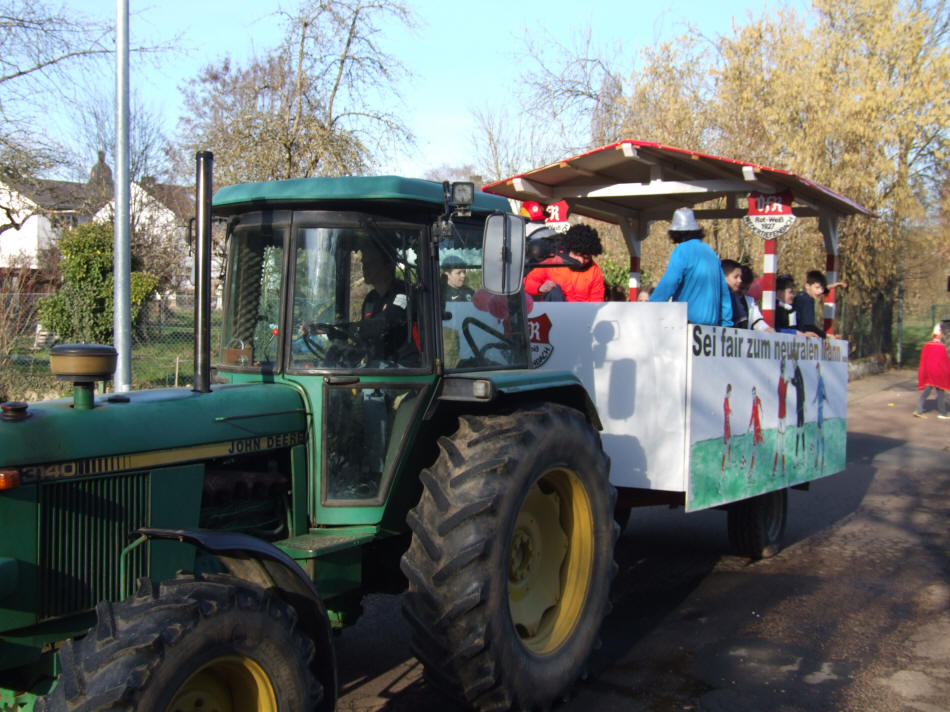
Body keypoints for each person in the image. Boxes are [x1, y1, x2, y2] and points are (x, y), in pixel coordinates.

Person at [649, 208, 732, 326]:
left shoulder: (681, 250)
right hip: (711, 328)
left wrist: (651, 307)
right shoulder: (711, 253)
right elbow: (723, 291)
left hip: (687, 323)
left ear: (675, 233)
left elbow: (670, 281)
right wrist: (726, 323)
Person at [356, 242, 416, 364]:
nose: (365, 267)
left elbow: (387, 321)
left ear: (389, 264)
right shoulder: (371, 298)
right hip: (377, 364)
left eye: (371, 263)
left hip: (405, 368)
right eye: (363, 263)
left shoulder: (404, 293)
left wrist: (355, 328)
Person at [523, 223, 605, 302]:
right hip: (552, 313)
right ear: (570, 249)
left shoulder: (595, 272)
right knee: (554, 291)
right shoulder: (553, 262)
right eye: (576, 254)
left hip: (583, 314)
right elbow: (526, 282)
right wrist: (540, 287)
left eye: (586, 258)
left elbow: (597, 301)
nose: (581, 261)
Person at [913, 322, 950, 419]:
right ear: (940, 335)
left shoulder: (926, 346)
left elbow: (923, 360)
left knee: (926, 392)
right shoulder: (941, 347)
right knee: (941, 393)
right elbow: (944, 362)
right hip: (938, 374)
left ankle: (919, 410)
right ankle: (942, 413)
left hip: (929, 373)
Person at [793, 270, 846, 337]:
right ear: (807, 286)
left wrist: (833, 286)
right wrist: (825, 336)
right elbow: (809, 326)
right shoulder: (806, 300)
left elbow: (820, 289)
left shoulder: (804, 295)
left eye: (822, 288)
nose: (820, 291)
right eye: (817, 288)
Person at [739, 265, 772, 332]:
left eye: (747, 289)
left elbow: (757, 321)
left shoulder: (749, 301)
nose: (743, 291)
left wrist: (766, 329)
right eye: (741, 288)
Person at [721, 259, 748, 328]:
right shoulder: (717, 295)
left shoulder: (734, 296)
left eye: (740, 277)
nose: (740, 280)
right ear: (724, 277)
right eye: (736, 277)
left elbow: (741, 321)